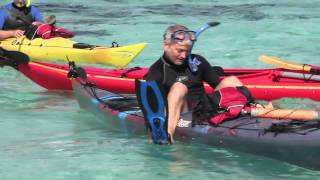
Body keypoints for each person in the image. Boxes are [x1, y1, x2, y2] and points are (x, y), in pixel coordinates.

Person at [145, 24, 243, 143]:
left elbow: (220, 88)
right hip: (181, 113)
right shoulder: (157, 71)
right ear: (166, 46)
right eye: (179, 50)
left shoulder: (197, 62)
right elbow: (153, 108)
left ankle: (255, 110)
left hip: (204, 109)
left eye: (187, 51)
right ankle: (168, 135)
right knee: (179, 87)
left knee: (231, 81)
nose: (184, 56)